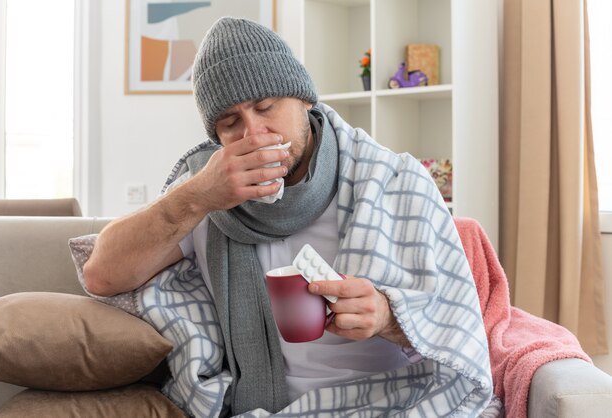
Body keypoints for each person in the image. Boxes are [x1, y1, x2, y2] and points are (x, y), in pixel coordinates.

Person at [84, 17, 493, 417]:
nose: (255, 133)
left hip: (389, 399)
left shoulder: (394, 180)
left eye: (266, 107)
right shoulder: (206, 190)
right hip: (263, 405)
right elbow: (102, 274)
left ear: (305, 98)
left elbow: (459, 335)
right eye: (231, 123)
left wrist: (387, 316)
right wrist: (197, 197)